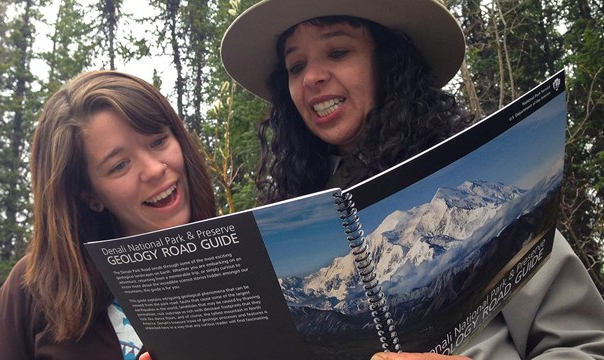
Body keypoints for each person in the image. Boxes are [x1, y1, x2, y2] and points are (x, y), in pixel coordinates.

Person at [220, 0, 604, 359]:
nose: (312, 78)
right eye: (295, 66)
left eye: (338, 52)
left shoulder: (476, 173)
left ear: (386, 61)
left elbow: (583, 343)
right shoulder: (278, 220)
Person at [0, 70, 216, 360]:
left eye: (158, 141)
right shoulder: (33, 291)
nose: (155, 170)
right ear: (88, 196)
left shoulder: (246, 263)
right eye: (119, 165)